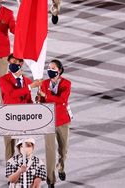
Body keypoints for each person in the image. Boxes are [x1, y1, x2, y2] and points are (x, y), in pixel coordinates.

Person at [0, 54, 42, 161]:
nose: (12, 65)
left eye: (14, 62)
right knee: (9, 146)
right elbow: (11, 94)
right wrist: (30, 87)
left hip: (24, 117)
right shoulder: (3, 80)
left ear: (21, 64)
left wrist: (36, 105)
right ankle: (11, 173)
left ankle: (25, 170)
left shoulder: (27, 80)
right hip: (9, 116)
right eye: (10, 63)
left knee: (26, 146)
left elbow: (28, 100)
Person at [36, 60, 72, 188]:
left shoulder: (67, 83)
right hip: (48, 120)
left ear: (59, 70)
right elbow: (41, 100)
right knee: (49, 151)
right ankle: (51, 179)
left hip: (62, 120)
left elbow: (62, 100)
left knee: (63, 150)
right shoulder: (44, 83)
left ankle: (61, 167)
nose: (50, 70)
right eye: (48, 68)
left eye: (53, 68)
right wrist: (38, 99)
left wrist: (46, 95)